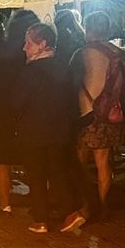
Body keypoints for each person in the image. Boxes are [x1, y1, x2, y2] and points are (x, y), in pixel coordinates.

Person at [16, 23, 86, 233]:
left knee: (36, 174)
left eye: (29, 42)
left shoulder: (31, 71)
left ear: (42, 44)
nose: (24, 47)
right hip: (60, 130)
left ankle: (41, 219)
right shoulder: (63, 66)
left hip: (35, 129)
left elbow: (16, 101)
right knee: (58, 171)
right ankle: (69, 211)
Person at [72, 11, 125, 218]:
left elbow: (75, 82)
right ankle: (103, 203)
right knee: (103, 162)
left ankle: (84, 202)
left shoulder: (84, 52)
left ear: (88, 29)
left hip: (86, 113)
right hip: (111, 114)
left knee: (78, 161)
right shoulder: (118, 53)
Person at [0, 10, 40, 214]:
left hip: (1, 109)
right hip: (28, 110)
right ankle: (37, 200)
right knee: (32, 158)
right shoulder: (34, 55)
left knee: (1, 158)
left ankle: (5, 203)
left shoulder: (3, 51)